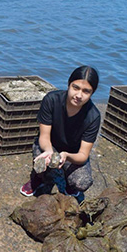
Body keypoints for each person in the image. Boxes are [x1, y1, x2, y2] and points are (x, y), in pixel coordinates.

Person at [19, 66, 101, 203]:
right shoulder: (52, 100)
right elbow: (44, 137)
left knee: (82, 182)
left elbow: (83, 155)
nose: (79, 95)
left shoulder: (93, 116)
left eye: (86, 91)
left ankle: (69, 185)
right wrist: (50, 153)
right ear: (69, 84)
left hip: (72, 153)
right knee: (41, 161)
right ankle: (38, 179)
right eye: (76, 88)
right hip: (50, 145)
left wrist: (66, 156)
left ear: (92, 93)